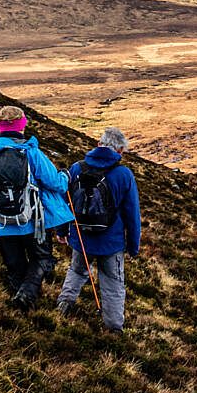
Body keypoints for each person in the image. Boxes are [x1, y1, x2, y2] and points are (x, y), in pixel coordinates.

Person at [0, 106, 73, 312]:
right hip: (32, 221)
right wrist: (66, 177)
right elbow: (55, 183)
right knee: (42, 258)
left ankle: (21, 307)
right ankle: (26, 296)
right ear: (22, 125)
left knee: (15, 264)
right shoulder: (31, 152)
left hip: (0, 222)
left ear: (0, 127)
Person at [56, 127, 141, 334]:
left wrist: (62, 230)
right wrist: (133, 246)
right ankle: (113, 328)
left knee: (76, 271)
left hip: (81, 239)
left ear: (98, 144)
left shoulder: (76, 168)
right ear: (119, 151)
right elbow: (132, 214)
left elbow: (64, 202)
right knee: (113, 283)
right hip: (111, 244)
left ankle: (63, 307)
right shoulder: (123, 174)